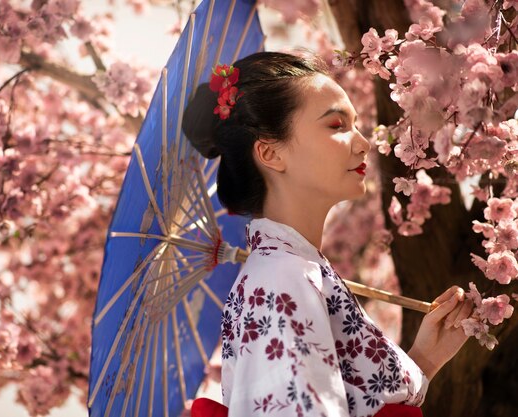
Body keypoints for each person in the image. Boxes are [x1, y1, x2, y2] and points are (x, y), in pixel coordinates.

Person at [182, 51, 475, 417]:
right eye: (336, 125)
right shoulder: (283, 278)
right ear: (270, 153)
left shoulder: (292, 270)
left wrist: (425, 360)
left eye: (354, 123)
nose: (363, 142)